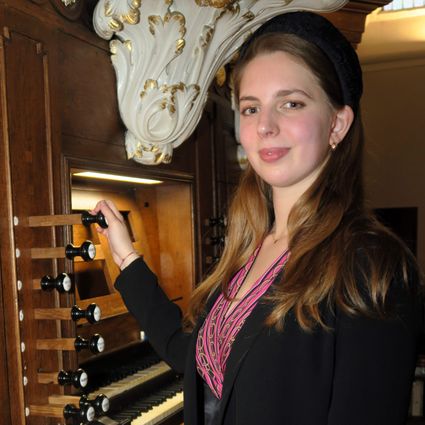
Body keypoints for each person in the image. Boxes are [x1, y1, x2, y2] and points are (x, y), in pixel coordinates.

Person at [93, 11, 424, 425]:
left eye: (291, 103)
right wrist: (126, 257)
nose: (265, 125)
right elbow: (195, 356)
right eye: (251, 108)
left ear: (337, 124)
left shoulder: (372, 265)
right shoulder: (251, 248)